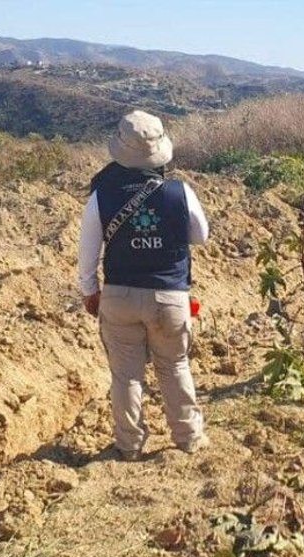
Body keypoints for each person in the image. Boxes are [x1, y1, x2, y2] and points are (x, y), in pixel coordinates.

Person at [78, 110, 209, 459]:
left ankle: (129, 444)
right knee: (174, 366)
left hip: (120, 296)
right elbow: (201, 235)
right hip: (169, 295)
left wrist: (90, 292)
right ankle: (188, 437)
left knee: (126, 376)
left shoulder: (101, 195)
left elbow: (87, 253)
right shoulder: (179, 192)